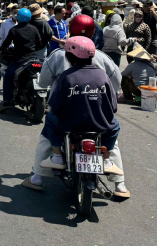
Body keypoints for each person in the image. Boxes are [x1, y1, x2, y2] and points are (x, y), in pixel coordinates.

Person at [28, 13, 129, 198]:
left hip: (66, 115)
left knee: (46, 135)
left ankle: (37, 177)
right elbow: (116, 84)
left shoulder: (59, 57)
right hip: (97, 116)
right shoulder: (102, 59)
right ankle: (120, 185)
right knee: (111, 139)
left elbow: (44, 83)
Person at [36, 36, 123, 176]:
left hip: (69, 124)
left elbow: (56, 105)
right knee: (115, 127)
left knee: (50, 119)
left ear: (69, 56)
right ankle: (106, 160)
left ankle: (57, 157)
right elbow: (113, 105)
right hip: (99, 124)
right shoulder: (102, 75)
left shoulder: (66, 76)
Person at [0, 8, 44, 110]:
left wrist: (0, 49)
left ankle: (7, 102)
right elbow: (39, 44)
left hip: (19, 60)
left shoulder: (14, 30)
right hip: (33, 59)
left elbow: (5, 44)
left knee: (8, 78)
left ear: (18, 17)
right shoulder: (34, 29)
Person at [0, 4, 20, 93]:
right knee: (0, 68)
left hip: (18, 50)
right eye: (14, 12)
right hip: (6, 49)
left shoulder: (23, 23)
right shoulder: (5, 23)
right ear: (11, 12)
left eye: (18, 13)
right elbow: (1, 36)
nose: (16, 14)